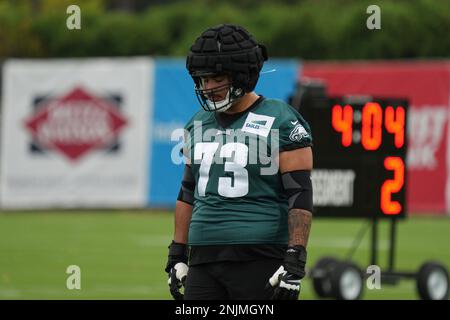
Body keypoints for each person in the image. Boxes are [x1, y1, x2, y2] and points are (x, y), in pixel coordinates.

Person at [165, 24, 313, 300]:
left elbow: (300, 194)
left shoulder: (281, 119)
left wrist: (295, 256)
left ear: (241, 74)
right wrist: (178, 252)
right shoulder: (197, 123)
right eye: (203, 79)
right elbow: (187, 192)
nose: (208, 87)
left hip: (260, 256)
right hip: (204, 260)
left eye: (216, 78)